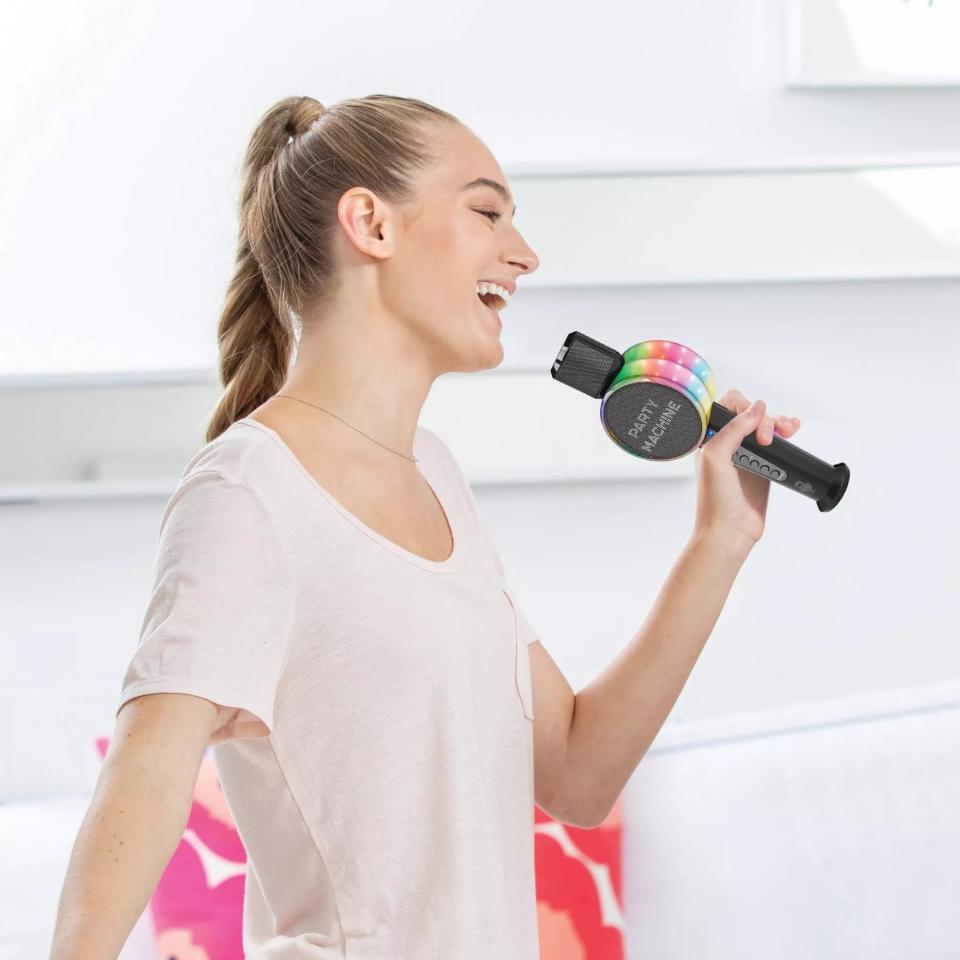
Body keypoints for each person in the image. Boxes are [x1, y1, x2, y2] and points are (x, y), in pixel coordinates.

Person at [49, 94, 801, 960]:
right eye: (486, 211)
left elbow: (578, 776)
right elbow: (145, 774)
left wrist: (720, 542)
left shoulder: (436, 478)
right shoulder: (249, 490)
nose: (523, 254)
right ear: (370, 223)